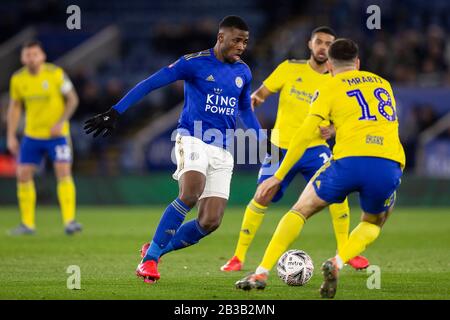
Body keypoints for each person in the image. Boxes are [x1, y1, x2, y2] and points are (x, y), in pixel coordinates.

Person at [84, 15, 265, 283]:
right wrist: (115, 111)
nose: (241, 46)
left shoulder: (243, 72)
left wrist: (262, 139)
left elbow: (245, 110)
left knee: (210, 222)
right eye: (237, 40)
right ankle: (148, 262)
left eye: (245, 42)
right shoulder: (193, 63)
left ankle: (155, 249)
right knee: (191, 192)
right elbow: (150, 83)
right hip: (192, 138)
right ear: (221, 37)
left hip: (223, 149)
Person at [235, 38, 405, 298]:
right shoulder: (384, 84)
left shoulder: (329, 86)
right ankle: (338, 261)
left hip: (348, 161)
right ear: (357, 63)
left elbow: (304, 134)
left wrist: (278, 176)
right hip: (387, 162)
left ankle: (261, 271)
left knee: (300, 210)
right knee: (374, 222)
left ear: (331, 67)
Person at [221, 26, 369, 273]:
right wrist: (253, 101)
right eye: (319, 42)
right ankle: (238, 257)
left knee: (337, 194)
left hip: (315, 149)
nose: (323, 47)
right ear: (309, 44)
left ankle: (346, 252)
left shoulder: (337, 79)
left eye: (328, 43)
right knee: (262, 195)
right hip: (280, 147)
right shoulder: (289, 68)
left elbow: (347, 115)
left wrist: (332, 130)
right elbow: (261, 94)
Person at [7, 40, 81, 235]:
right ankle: (27, 224)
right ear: (23, 58)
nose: (31, 59)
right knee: (23, 174)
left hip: (57, 135)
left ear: (42, 56)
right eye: (27, 55)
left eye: (35, 54)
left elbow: (73, 99)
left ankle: (69, 221)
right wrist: (10, 135)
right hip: (32, 135)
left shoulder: (55, 74)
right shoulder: (18, 79)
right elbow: (14, 108)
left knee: (63, 171)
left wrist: (61, 122)